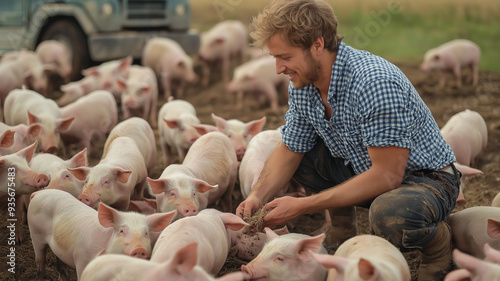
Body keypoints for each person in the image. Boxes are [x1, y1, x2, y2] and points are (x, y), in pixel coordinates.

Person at [235, 0, 461, 280]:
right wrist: (258, 195)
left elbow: (388, 176)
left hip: (423, 180)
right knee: (301, 156)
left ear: (317, 45)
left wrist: (304, 205)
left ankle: (438, 245)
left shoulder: (374, 83)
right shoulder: (305, 84)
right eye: (275, 58)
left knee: (390, 215)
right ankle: (341, 231)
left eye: (285, 57)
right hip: (366, 170)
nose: (279, 68)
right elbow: (290, 147)